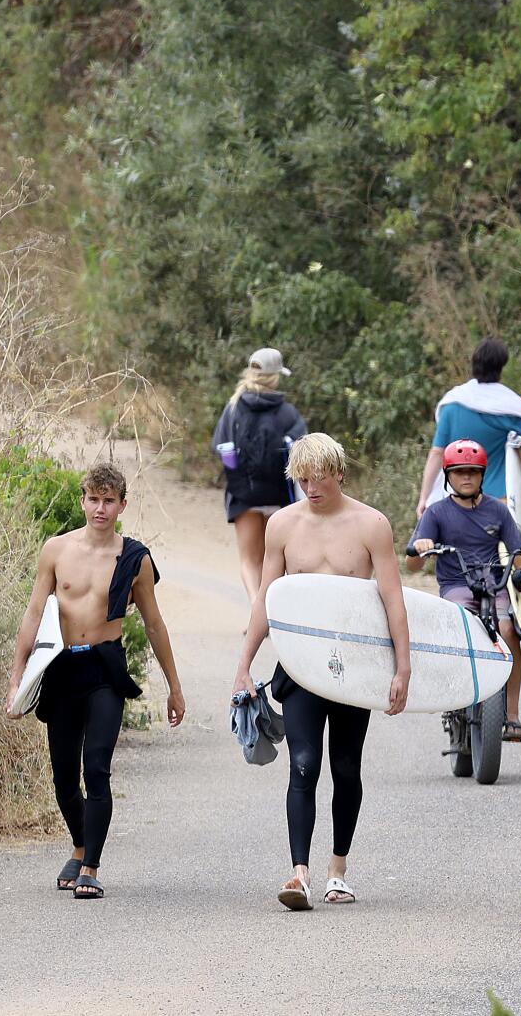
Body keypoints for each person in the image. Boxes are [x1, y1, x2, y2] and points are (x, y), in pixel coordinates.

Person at [231, 433, 408, 910]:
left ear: (340, 472)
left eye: (320, 477)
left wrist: (402, 668)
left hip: (354, 668)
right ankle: (299, 875)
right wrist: (244, 665)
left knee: (347, 768)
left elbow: (393, 600)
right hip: (302, 665)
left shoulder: (372, 525)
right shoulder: (282, 527)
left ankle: (338, 871)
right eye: (303, 479)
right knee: (304, 764)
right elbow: (267, 601)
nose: (311, 487)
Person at [5, 463, 186, 898]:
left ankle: (91, 865)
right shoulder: (55, 550)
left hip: (105, 668)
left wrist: (174, 687)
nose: (100, 508)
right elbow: (33, 614)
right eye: (93, 499)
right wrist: (16, 679)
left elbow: (155, 623)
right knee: (64, 779)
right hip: (62, 668)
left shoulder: (134, 558)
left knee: (97, 768)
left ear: (122, 505)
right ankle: (79, 842)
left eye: (109, 501)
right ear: (82, 501)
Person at [406, 440, 521, 742]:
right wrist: (420, 549)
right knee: (458, 627)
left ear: (483, 474)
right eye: (459, 472)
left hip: (494, 585)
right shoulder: (436, 513)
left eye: (473, 471)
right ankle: (454, 697)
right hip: (457, 586)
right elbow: (413, 566)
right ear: (448, 476)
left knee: (508, 631)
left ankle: (511, 715)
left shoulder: (497, 511)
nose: (466, 477)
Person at [211, 347, 309, 604]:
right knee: (272, 558)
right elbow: (304, 449)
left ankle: (256, 606)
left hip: (243, 494)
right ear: (276, 376)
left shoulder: (233, 409)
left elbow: (218, 447)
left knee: (249, 560)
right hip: (278, 495)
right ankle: (268, 611)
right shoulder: (288, 413)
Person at [416, 338, 521, 519]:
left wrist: (424, 498)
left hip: (454, 500)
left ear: (474, 363)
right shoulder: (512, 407)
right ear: (501, 366)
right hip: (498, 502)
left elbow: (436, 454)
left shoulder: (453, 404)